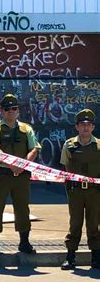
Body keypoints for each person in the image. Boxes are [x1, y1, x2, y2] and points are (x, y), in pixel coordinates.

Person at [0, 94, 41, 255]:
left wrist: (22, 165)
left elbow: (34, 148)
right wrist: (11, 165)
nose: (11, 111)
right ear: (1, 111)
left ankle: (24, 242)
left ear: (18, 111)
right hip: (1, 174)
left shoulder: (26, 129)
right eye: (7, 109)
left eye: (14, 108)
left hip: (21, 176)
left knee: (23, 208)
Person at [59, 109, 100, 270]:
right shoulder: (69, 145)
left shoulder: (98, 146)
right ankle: (70, 256)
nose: (85, 128)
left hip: (95, 192)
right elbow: (64, 167)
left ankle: (96, 257)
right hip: (75, 191)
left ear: (93, 127)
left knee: (94, 223)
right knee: (75, 223)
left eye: (88, 125)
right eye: (82, 125)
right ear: (77, 127)